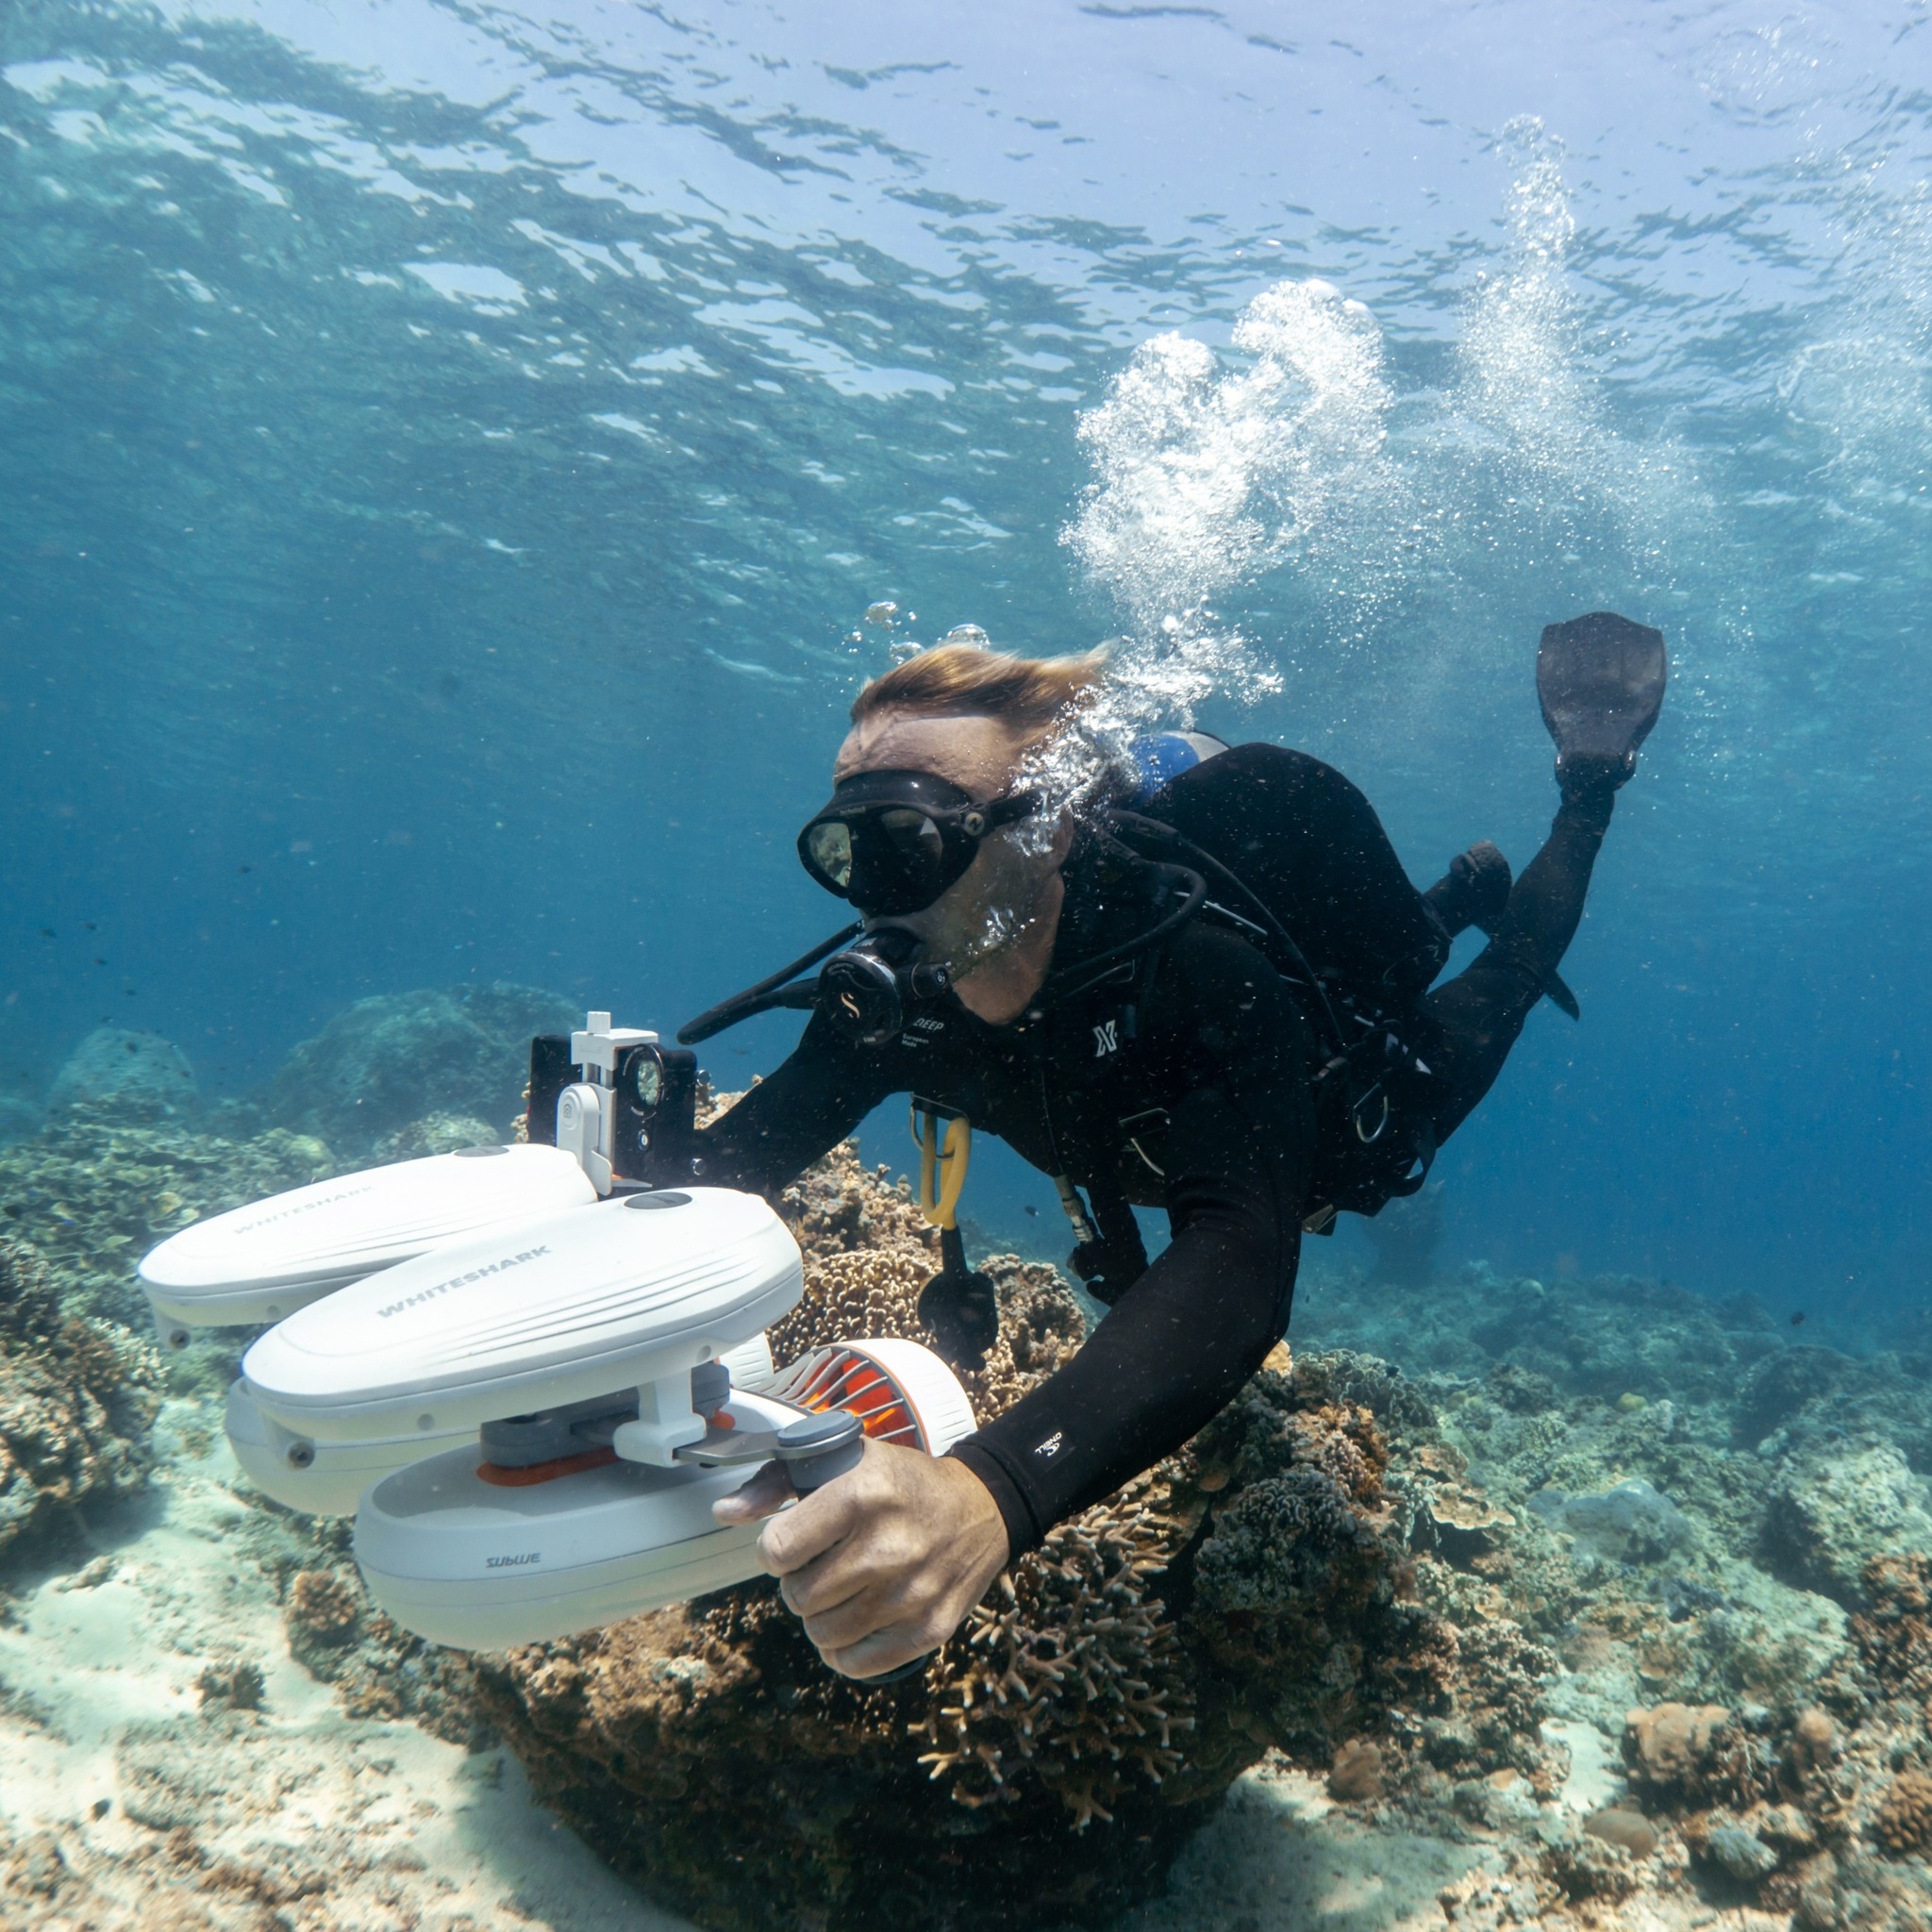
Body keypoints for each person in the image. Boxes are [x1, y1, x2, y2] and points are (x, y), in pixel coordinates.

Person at [693, 616, 1665, 1680]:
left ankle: (1588, 786)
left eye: (915, 842)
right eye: (847, 850)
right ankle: (1446, 898)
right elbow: (726, 1170)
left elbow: (1238, 1261)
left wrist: (992, 1487)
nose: (880, 899)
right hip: (1171, 1129)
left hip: (1346, 1119)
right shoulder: (892, 999)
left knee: (1507, 971)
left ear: (1050, 826)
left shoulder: (1195, 969)